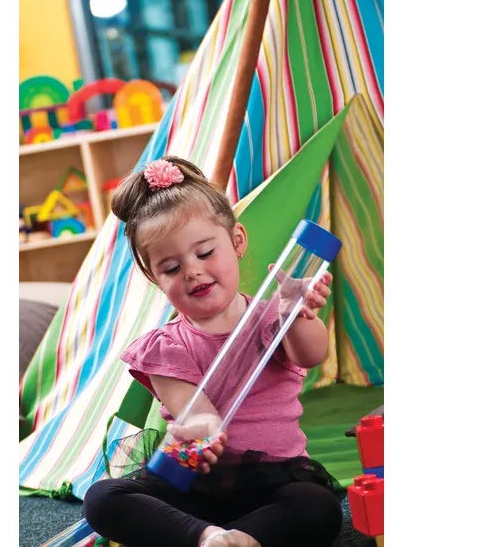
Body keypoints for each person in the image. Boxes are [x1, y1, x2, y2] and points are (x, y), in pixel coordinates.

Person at [84, 156, 343, 547]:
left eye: (205, 253)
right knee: (103, 499)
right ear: (154, 278)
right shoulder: (164, 347)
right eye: (171, 268)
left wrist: (295, 315)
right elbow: (196, 412)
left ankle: (241, 538)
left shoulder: (273, 316)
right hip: (195, 485)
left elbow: (311, 355)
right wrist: (201, 432)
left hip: (273, 482)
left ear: (237, 241)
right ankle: (208, 537)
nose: (192, 271)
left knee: (318, 506)